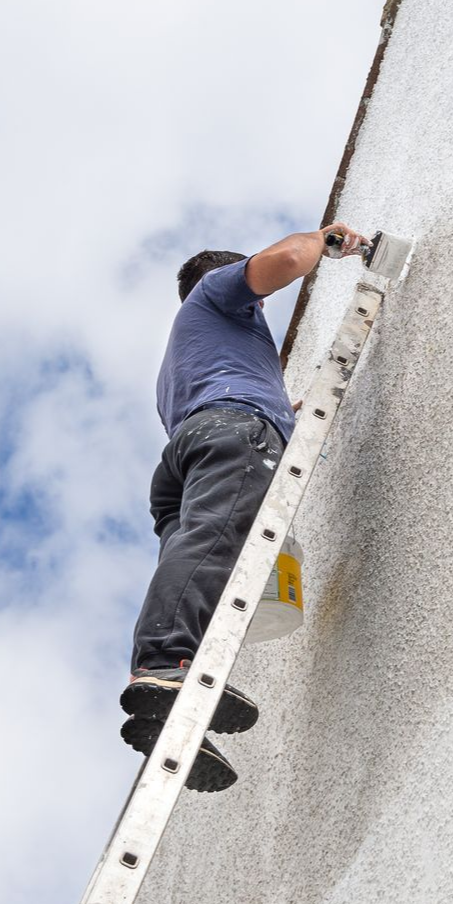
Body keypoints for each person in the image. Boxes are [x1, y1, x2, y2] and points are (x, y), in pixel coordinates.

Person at [119, 222, 367, 792]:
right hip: (230, 434)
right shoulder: (216, 294)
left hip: (188, 456)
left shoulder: (187, 358)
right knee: (213, 544)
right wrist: (322, 241)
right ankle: (162, 666)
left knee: (202, 563)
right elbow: (283, 260)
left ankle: (177, 707)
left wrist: (287, 411)